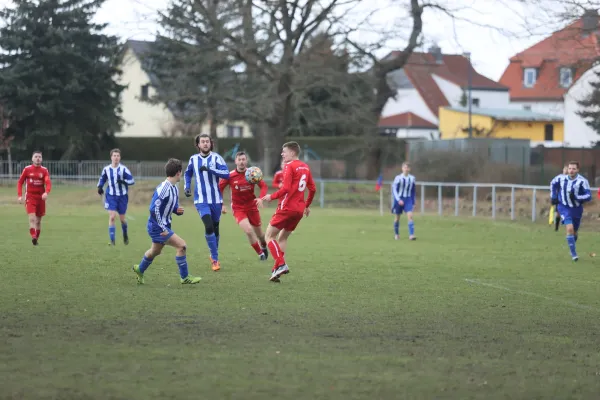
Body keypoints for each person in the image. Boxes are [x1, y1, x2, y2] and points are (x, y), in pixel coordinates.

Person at [132, 158, 201, 285]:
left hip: (161, 226)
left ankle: (139, 269)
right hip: (158, 227)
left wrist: (176, 210)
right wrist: (163, 228)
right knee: (182, 246)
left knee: (155, 251)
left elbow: (167, 205)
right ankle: (184, 277)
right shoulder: (164, 188)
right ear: (179, 172)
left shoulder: (174, 187)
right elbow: (153, 209)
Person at [257, 141, 316, 282]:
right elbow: (313, 189)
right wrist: (307, 206)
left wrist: (271, 196)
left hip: (287, 208)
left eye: (284, 152)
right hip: (299, 210)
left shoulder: (289, 166)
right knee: (282, 238)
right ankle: (276, 270)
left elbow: (286, 189)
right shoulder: (305, 167)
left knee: (269, 237)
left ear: (292, 153)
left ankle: (281, 263)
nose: (282, 154)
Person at [184, 133, 230, 271]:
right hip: (201, 200)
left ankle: (213, 256)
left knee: (215, 228)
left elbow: (226, 174)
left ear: (211, 144)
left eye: (207, 141)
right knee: (208, 226)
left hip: (216, 199)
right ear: (198, 144)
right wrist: (187, 186)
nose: (205, 144)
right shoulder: (193, 159)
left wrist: (210, 169)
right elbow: (188, 173)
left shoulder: (217, 158)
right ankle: (215, 259)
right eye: (202, 142)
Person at [220, 152, 269, 260]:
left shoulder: (252, 173)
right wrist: (221, 204)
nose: (241, 162)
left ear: (246, 161)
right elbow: (220, 188)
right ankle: (260, 254)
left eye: (243, 159)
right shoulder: (230, 175)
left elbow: (264, 186)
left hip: (252, 206)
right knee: (248, 230)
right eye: (239, 159)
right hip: (238, 208)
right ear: (236, 161)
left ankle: (263, 245)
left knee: (260, 234)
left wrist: (260, 198)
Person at [550, 161, 592, 261]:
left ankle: (572, 247)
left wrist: (577, 197)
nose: (571, 170)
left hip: (577, 209)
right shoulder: (561, 178)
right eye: (570, 168)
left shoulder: (582, 181)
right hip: (563, 207)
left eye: (573, 169)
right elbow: (553, 184)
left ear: (577, 170)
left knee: (574, 232)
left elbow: (588, 196)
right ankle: (574, 254)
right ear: (567, 169)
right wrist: (554, 196)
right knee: (569, 229)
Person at [97, 149, 135, 245]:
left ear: (120, 158)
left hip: (122, 197)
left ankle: (125, 234)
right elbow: (102, 179)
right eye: (114, 156)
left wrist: (124, 182)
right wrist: (100, 187)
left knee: (122, 219)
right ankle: (112, 241)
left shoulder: (123, 169)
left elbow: (132, 181)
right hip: (111, 196)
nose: (116, 157)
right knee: (112, 216)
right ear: (111, 157)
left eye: (118, 156)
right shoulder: (106, 169)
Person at [17, 150, 52, 245]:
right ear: (32, 158)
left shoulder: (44, 170)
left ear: (42, 159)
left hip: (40, 198)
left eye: (39, 157)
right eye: (36, 156)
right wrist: (20, 195)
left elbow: (48, 182)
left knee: (38, 221)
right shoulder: (27, 169)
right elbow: (20, 182)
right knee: (32, 218)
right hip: (30, 197)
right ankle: (33, 236)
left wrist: (46, 192)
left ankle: (36, 238)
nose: (38, 158)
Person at [391, 162, 416, 240]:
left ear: (409, 169)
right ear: (402, 168)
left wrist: (413, 201)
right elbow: (394, 189)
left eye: (407, 167)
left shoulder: (412, 178)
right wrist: (398, 199)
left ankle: (411, 235)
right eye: (405, 167)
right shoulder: (398, 178)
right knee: (397, 218)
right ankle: (396, 234)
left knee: (410, 216)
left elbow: (413, 190)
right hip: (399, 199)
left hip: (408, 199)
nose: (406, 169)